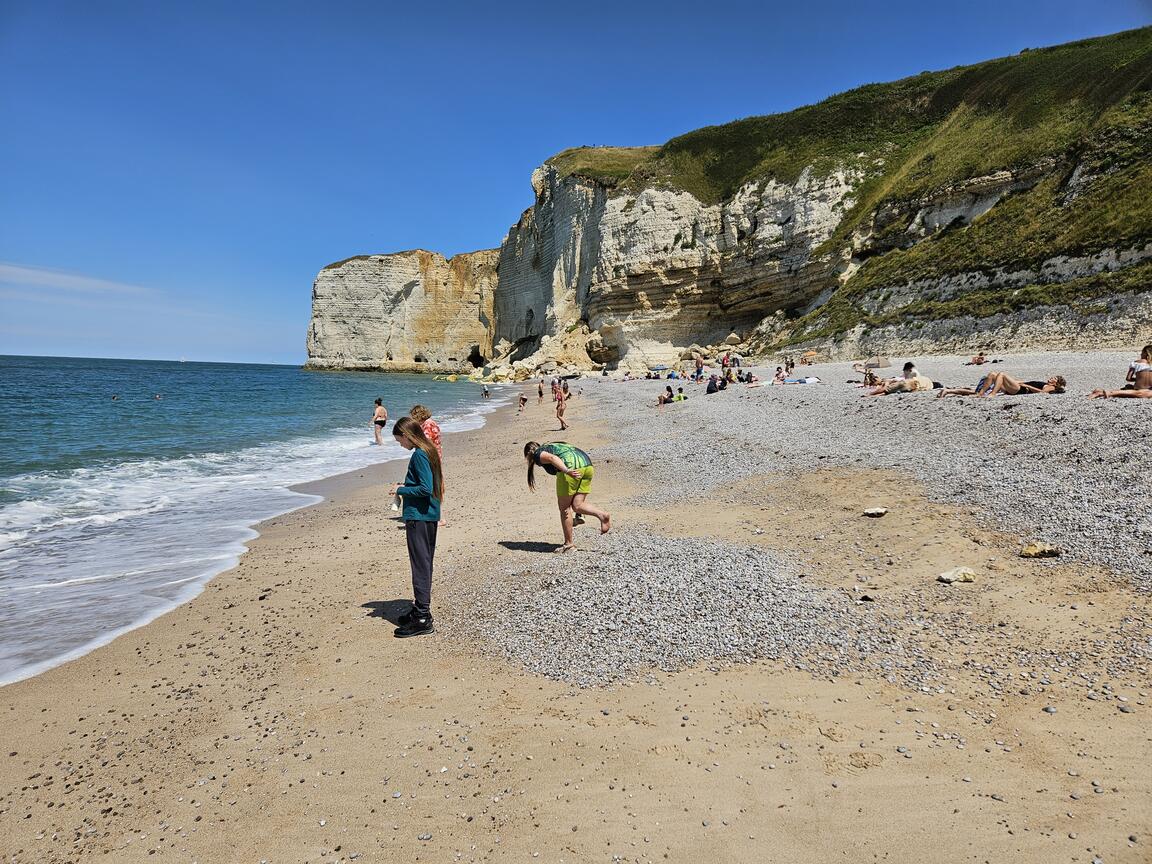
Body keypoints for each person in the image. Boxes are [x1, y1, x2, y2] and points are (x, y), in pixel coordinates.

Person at [388, 417, 444, 638]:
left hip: (420, 516)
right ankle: (420, 610)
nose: (400, 444)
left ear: (407, 435)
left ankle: (422, 617)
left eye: (399, 440)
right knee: (424, 563)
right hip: (428, 514)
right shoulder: (428, 450)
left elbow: (425, 488)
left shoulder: (419, 454)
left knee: (420, 565)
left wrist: (400, 490)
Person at [523, 441, 610, 553]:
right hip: (587, 465)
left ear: (528, 454)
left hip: (571, 468)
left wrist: (566, 470)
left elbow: (552, 458)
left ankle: (569, 544)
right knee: (577, 505)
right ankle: (602, 515)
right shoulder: (553, 445)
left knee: (564, 508)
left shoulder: (538, 453)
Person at [976, 372, 1065, 397]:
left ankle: (993, 394)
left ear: (1056, 383)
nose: (1052, 377)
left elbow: (1042, 392)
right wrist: (1019, 382)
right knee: (992, 374)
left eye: (1055, 378)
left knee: (1002, 374)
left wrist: (1027, 386)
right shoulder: (1045, 383)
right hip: (1018, 387)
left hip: (1020, 390)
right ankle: (980, 393)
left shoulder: (1051, 387)